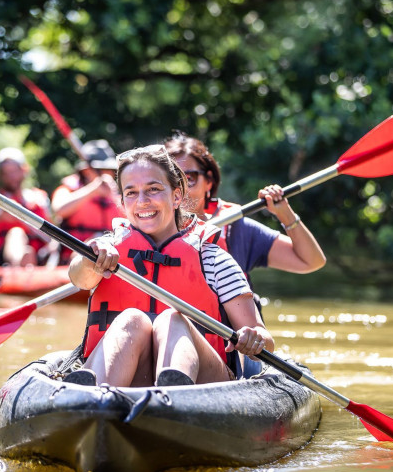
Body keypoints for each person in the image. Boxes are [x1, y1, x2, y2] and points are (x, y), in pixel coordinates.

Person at [66, 145, 274, 387]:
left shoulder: (213, 258)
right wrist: (91, 261)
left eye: (153, 189)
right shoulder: (107, 248)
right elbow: (79, 278)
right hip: (131, 375)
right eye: (131, 193)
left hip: (204, 382)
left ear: (176, 196)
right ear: (122, 201)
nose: (142, 202)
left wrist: (255, 338)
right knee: (132, 319)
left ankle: (173, 395)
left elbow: (265, 341)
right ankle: (94, 402)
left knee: (172, 319)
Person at [163, 133, 326, 279]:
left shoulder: (235, 230)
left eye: (189, 178)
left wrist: (286, 213)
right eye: (171, 179)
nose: (180, 189)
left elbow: (312, 261)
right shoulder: (146, 230)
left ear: (209, 181)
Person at [0, 147, 57, 266]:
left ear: (24, 170)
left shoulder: (39, 199)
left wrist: (54, 245)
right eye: (6, 173)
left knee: (54, 246)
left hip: (39, 257)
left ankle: (32, 267)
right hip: (1, 260)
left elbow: (52, 232)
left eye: (14, 171)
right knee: (16, 233)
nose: (11, 177)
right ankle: (21, 263)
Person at [51, 140, 124, 264]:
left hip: (110, 256)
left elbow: (133, 222)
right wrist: (93, 189)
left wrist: (112, 197)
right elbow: (59, 209)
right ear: (86, 171)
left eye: (110, 170)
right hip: (73, 258)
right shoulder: (68, 189)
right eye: (102, 169)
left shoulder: (115, 196)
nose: (109, 174)